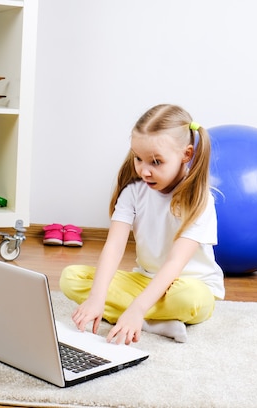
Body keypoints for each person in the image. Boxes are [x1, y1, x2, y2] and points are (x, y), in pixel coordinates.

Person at [59, 104, 224, 345]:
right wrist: (96, 297)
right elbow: (114, 248)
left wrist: (137, 307)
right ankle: (153, 322)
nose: (144, 170)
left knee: (190, 299)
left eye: (156, 162)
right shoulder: (133, 193)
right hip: (145, 280)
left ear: (186, 155)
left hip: (189, 285)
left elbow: (175, 263)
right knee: (71, 278)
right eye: (138, 158)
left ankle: (134, 315)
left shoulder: (199, 200)